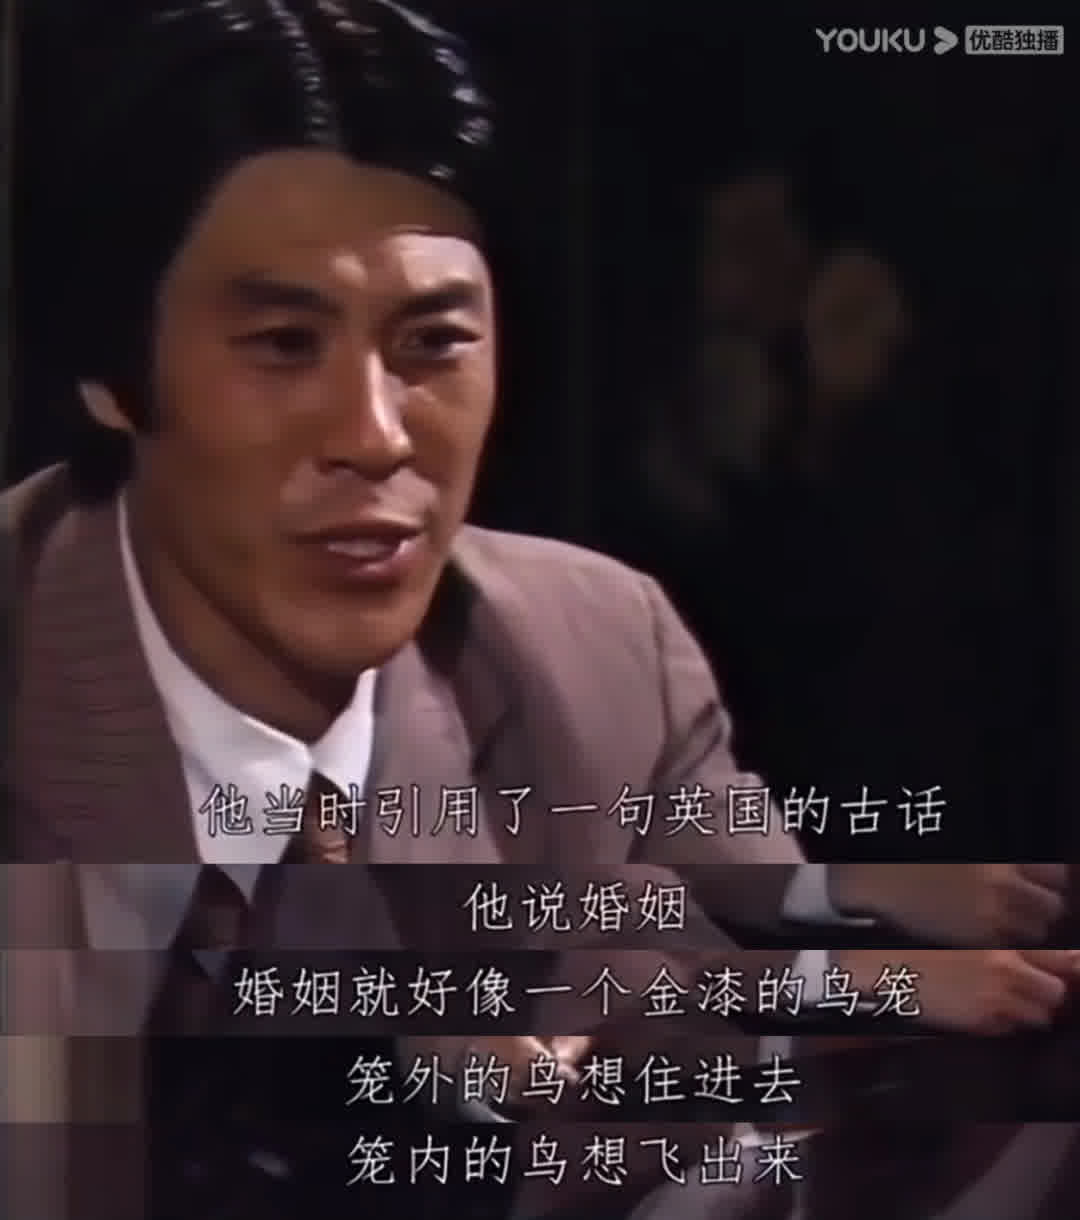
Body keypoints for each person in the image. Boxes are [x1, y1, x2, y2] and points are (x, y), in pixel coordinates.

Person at [6, 4, 1079, 1219]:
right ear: (110, 372)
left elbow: (706, 1021)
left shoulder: (595, 647)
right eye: (284, 343)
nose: (377, 434)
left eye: (432, 342)